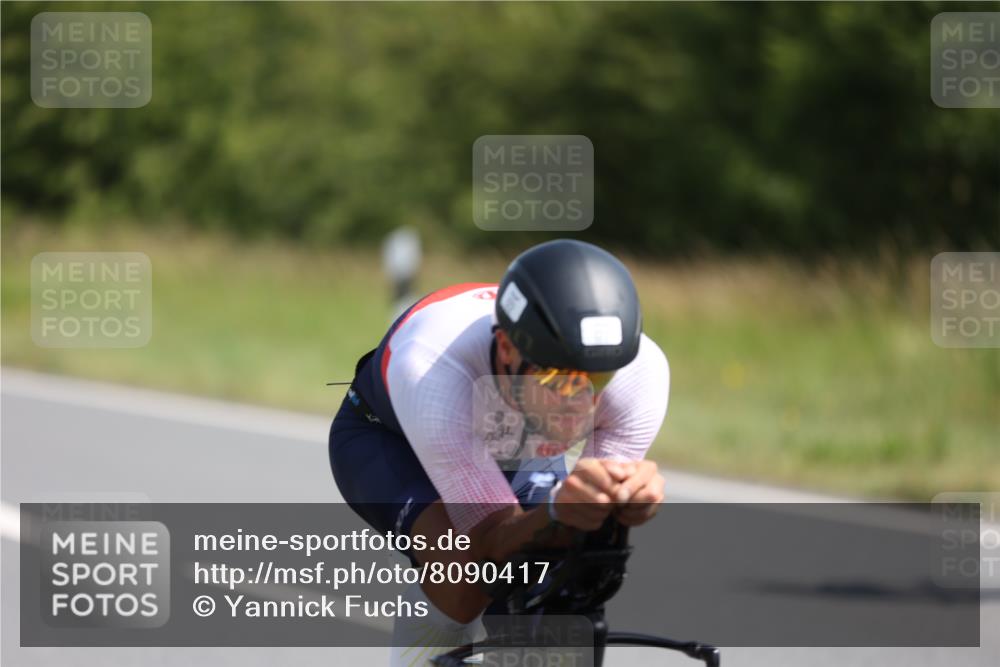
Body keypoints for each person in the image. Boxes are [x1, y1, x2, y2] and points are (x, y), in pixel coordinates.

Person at [328, 239, 670, 665]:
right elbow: (489, 538)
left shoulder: (641, 374)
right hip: (391, 439)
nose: (577, 403)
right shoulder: (431, 364)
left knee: (558, 590)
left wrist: (625, 502)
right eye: (558, 379)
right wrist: (558, 513)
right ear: (507, 349)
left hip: (512, 442)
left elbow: (590, 538)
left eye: (597, 380)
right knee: (465, 578)